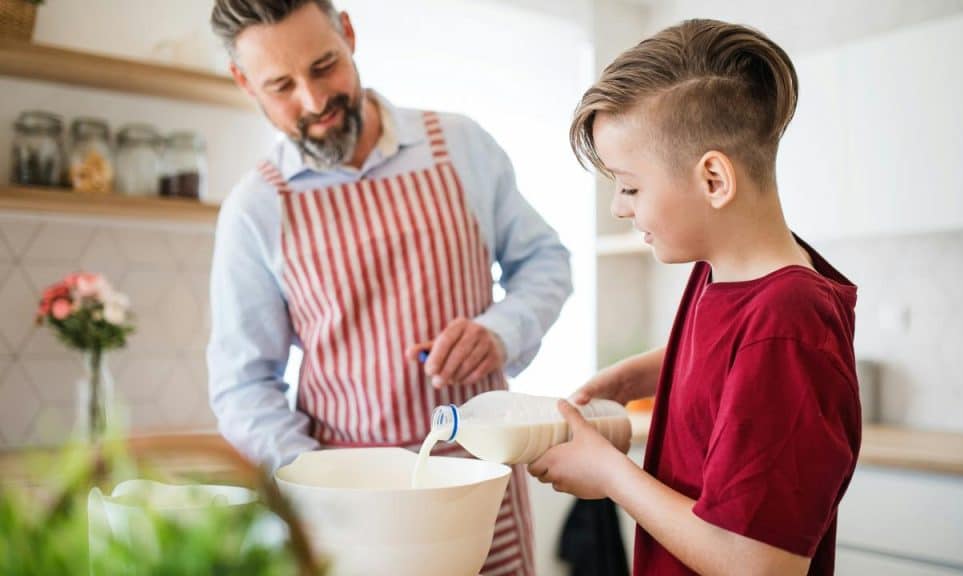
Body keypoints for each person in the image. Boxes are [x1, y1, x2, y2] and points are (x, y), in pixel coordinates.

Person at [206, 2, 573, 573]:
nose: (313, 100)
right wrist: (320, 483)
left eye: (324, 66)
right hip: (347, 519)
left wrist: (500, 332)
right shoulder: (255, 209)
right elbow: (242, 384)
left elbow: (545, 261)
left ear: (348, 34)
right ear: (243, 82)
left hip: (479, 491)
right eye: (281, 85)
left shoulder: (461, 145)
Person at [528, 19, 860, 576]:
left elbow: (758, 565)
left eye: (630, 185)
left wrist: (609, 473)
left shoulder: (790, 321)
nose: (619, 208)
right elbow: (739, 360)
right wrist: (656, 370)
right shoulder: (721, 274)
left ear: (713, 180)